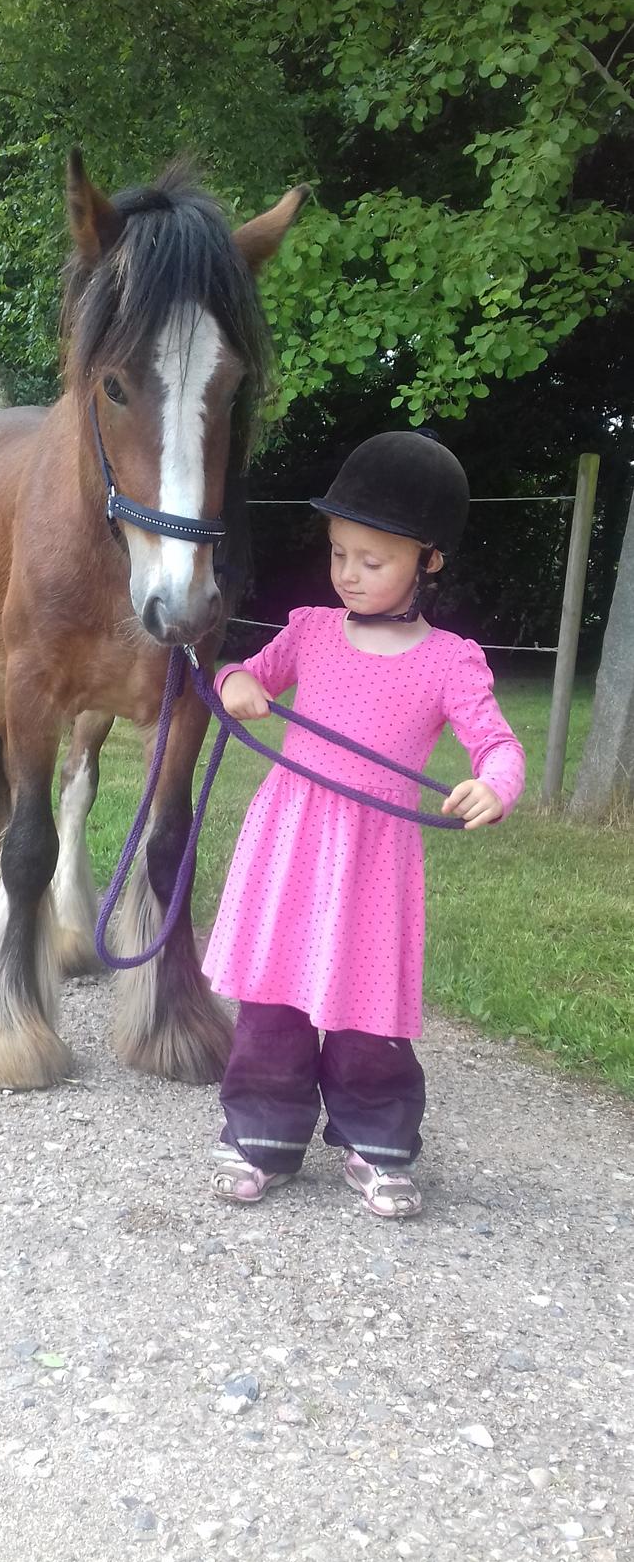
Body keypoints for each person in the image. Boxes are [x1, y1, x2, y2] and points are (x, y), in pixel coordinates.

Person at [202, 430, 526, 1218]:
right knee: (274, 994)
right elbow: (242, 674)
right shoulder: (311, 629)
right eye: (341, 552)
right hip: (291, 841)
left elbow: (496, 742)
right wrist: (238, 681)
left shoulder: (451, 659)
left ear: (429, 561)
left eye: (372, 559)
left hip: (375, 858)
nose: (349, 572)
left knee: (367, 1002)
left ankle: (375, 1144)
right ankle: (260, 1138)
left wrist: (497, 784)